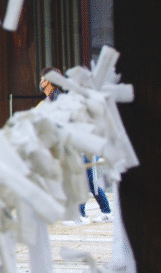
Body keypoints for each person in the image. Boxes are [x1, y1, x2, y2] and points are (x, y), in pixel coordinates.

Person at [40, 67, 113, 224]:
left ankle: (83, 215)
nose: (41, 81)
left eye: (43, 78)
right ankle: (99, 212)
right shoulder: (53, 99)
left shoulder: (63, 98)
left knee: (86, 179)